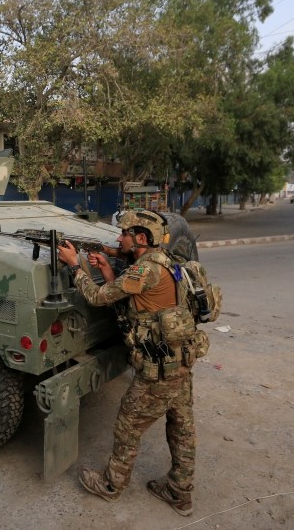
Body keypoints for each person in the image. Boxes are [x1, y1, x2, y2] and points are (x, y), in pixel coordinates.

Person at [57, 208, 198, 517]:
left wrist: (74, 267)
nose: (119, 238)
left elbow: (97, 297)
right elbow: (132, 298)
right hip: (181, 363)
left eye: (124, 234)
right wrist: (108, 267)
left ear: (142, 239)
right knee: (182, 427)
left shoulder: (144, 271)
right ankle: (179, 491)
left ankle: (111, 484)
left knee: (127, 426)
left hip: (159, 371)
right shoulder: (166, 262)